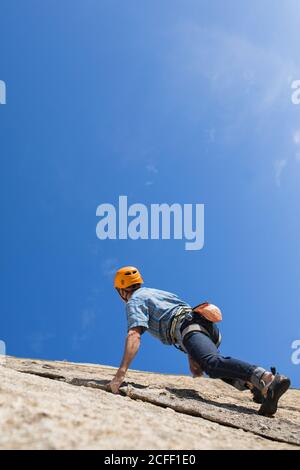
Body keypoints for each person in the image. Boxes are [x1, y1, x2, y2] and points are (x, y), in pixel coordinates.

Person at [108, 266, 291, 417]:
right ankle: (255, 386)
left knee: (211, 363)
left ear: (122, 291)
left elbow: (134, 335)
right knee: (213, 365)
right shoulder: (156, 293)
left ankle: (267, 378)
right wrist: (192, 354)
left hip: (189, 326)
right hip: (203, 325)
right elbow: (182, 312)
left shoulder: (135, 300)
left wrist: (120, 375)